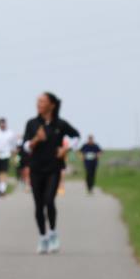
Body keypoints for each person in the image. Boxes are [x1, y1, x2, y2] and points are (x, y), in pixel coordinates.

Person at [21, 92, 80, 255]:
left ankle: (53, 233)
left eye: (42, 101)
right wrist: (36, 140)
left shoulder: (60, 124)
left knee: (49, 200)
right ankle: (43, 237)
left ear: (52, 105)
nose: (39, 104)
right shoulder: (32, 124)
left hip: (54, 168)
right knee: (38, 204)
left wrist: (65, 148)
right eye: (38, 101)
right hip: (36, 168)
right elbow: (25, 146)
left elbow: (76, 136)